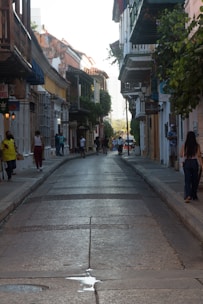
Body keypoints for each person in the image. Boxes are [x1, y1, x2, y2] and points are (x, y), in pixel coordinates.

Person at [180, 131, 203, 203]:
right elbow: (199, 156)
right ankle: (194, 195)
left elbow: (181, 154)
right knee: (194, 180)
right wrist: (202, 165)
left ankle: (188, 196)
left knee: (187, 180)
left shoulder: (184, 145)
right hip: (194, 163)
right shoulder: (197, 145)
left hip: (187, 162)